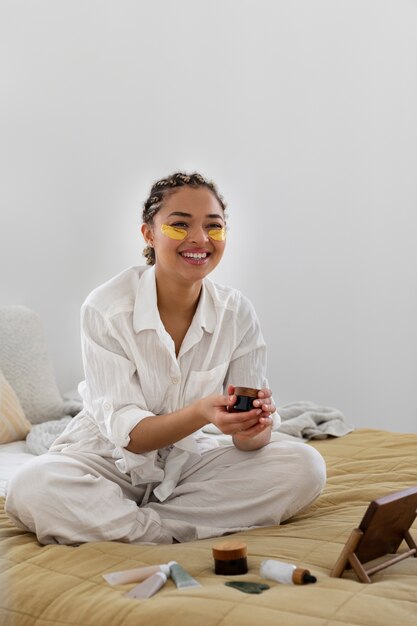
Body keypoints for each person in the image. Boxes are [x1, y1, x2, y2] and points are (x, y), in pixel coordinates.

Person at [6, 172, 326, 545]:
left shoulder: (236, 312)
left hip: (186, 464)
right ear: (149, 235)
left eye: (214, 227)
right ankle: (168, 531)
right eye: (179, 226)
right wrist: (203, 413)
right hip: (107, 462)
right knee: (31, 487)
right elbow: (132, 438)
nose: (200, 239)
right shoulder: (107, 308)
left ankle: (137, 528)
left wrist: (254, 427)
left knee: (305, 467)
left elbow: (248, 444)